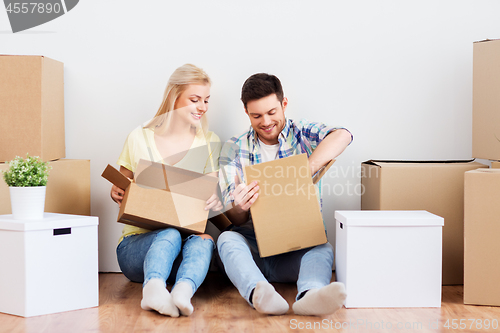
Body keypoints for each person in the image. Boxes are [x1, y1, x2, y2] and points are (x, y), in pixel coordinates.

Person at [217, 73, 353, 316]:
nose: (266, 121)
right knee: (226, 239)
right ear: (246, 113)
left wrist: (305, 169)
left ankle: (309, 295)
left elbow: (343, 135)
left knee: (323, 247)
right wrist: (239, 207)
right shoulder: (233, 147)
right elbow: (235, 219)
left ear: (284, 104)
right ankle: (258, 292)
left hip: (295, 251)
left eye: (272, 112)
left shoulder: (301, 132)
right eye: (256, 115)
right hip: (254, 250)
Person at [110, 64, 222, 317]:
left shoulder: (209, 142)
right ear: (174, 97)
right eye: (194, 99)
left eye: (206, 100)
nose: (202, 107)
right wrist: (116, 190)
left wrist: (216, 198)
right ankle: (154, 289)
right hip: (137, 249)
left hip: (183, 253)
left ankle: (183, 291)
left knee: (205, 242)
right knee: (169, 234)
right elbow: (122, 185)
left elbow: (209, 194)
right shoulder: (139, 137)